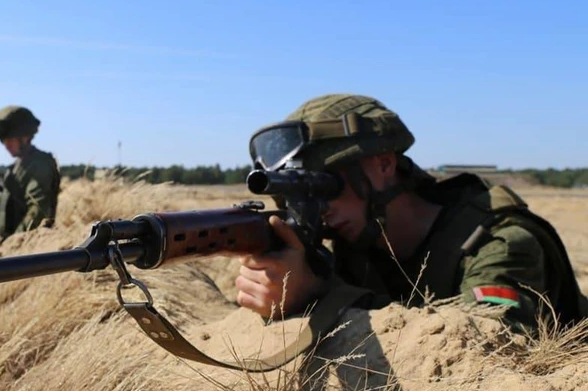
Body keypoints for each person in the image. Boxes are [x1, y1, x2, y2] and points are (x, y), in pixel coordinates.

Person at [235, 94, 587, 335]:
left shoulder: (499, 244)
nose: (322, 209)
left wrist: (318, 294)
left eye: (326, 186)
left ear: (385, 164)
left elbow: (489, 347)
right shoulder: (355, 244)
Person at [0, 105, 61, 242]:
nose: (5, 145)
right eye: (3, 140)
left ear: (25, 137)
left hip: (27, 250)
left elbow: (37, 213)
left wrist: (12, 244)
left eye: (9, 139)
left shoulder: (40, 165)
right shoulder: (15, 168)